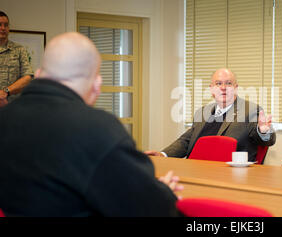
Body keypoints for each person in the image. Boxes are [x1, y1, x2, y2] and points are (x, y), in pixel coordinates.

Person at [0, 32, 183, 216]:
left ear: (39, 74)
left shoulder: (6, 118)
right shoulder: (96, 128)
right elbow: (147, 207)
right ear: (97, 85)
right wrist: (163, 192)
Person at [145, 68, 276, 162]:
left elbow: (267, 140)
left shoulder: (251, 110)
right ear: (212, 89)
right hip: (195, 169)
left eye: (228, 83)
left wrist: (263, 132)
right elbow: (186, 141)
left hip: (227, 174)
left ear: (236, 88)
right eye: (218, 83)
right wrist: (163, 154)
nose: (223, 87)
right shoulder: (202, 112)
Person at [0, 11, 33, 106]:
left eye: (6, 25)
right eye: (0, 24)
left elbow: (28, 77)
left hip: (13, 107)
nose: (3, 28)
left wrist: (6, 92)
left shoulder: (19, 50)